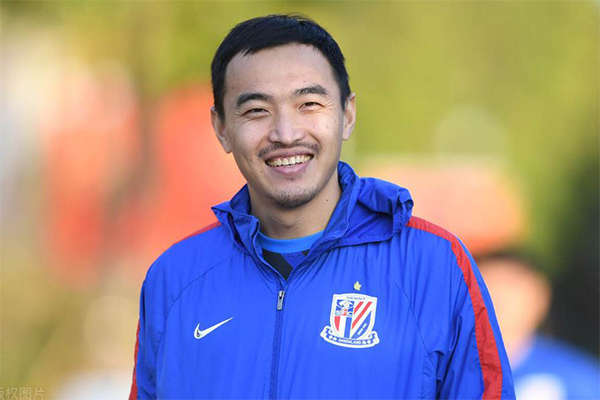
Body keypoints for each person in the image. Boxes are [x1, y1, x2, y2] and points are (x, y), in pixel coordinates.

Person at [128, 14, 515, 399]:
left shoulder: (434, 266)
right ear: (222, 128)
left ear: (347, 115)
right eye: (257, 110)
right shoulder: (174, 278)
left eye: (309, 104)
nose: (286, 133)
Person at [478, 251, 600, 400]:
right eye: (489, 285)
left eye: (511, 287)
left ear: (541, 297)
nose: (500, 299)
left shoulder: (579, 379)